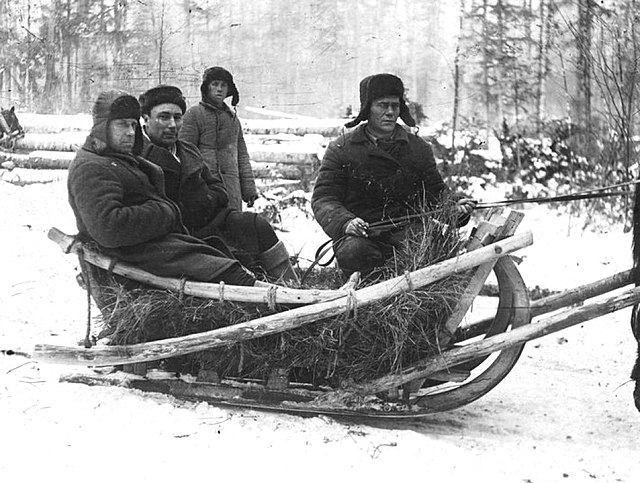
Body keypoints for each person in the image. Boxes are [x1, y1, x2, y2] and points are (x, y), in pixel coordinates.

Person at [67, 89, 256, 286]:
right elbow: (108, 227)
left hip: (152, 247)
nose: (131, 132)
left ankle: (280, 300)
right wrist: (165, 211)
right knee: (230, 274)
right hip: (132, 257)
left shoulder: (117, 158)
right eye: (122, 125)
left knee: (232, 263)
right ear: (102, 127)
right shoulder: (91, 167)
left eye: (133, 124)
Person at [311, 73, 476, 276]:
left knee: (427, 252)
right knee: (354, 252)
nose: (390, 112)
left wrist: (455, 207)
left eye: (395, 106)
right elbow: (324, 199)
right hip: (361, 238)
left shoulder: (418, 148)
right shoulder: (342, 149)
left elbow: (435, 194)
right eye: (382, 105)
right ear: (367, 109)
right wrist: (346, 222)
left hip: (408, 236)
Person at [138, 84, 299, 284]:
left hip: (209, 220)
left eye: (177, 117)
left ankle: (292, 288)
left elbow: (217, 187)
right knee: (228, 259)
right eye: (163, 117)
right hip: (180, 235)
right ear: (145, 119)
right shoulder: (139, 156)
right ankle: (260, 290)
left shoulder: (187, 150)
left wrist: (208, 199)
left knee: (255, 224)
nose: (172, 124)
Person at [179, 66, 257, 211]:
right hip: (204, 189)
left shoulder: (232, 119)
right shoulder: (194, 115)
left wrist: (249, 189)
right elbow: (185, 153)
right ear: (206, 88)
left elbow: (241, 155)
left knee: (233, 227)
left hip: (232, 188)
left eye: (224, 85)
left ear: (229, 90)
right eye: (215, 84)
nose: (219, 89)